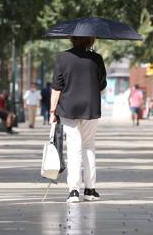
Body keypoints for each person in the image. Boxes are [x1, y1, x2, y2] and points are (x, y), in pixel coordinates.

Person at [50, 36, 106, 203]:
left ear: (72, 39)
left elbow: (56, 87)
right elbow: (102, 85)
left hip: (68, 108)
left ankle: (73, 191)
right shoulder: (96, 58)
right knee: (88, 146)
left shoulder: (62, 58)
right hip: (91, 108)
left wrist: (52, 110)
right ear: (91, 40)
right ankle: (90, 189)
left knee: (73, 147)